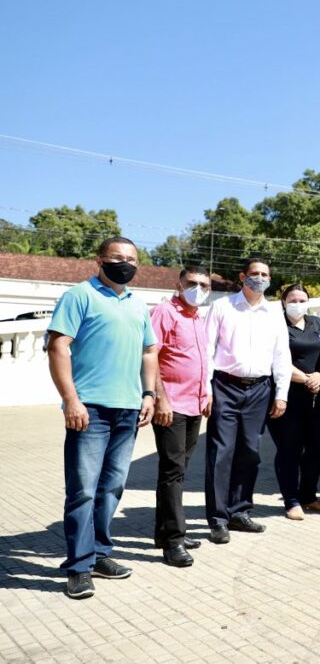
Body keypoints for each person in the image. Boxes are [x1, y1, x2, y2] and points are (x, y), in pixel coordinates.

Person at [47, 236, 157, 599]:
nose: (124, 263)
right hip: (89, 409)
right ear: (99, 260)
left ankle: (99, 554)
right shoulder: (79, 295)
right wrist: (71, 400)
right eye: (116, 257)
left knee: (112, 487)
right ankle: (78, 567)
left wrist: (149, 394)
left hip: (128, 410)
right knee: (83, 490)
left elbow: (149, 352)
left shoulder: (138, 304)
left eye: (131, 259)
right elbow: (58, 346)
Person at [204, 257, 291, 544]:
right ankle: (218, 519)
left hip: (259, 390)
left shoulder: (274, 312)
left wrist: (281, 394)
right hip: (225, 387)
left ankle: (239, 511)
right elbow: (206, 350)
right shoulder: (222, 307)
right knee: (221, 452)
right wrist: (206, 390)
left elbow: (281, 355)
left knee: (250, 451)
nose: (260, 278)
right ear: (242, 276)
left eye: (265, 274)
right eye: (255, 273)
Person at [149, 265, 212, 567]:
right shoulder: (165, 312)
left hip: (194, 404)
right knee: (172, 470)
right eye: (192, 283)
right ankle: (174, 540)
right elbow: (150, 356)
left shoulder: (198, 317)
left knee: (177, 471)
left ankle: (164, 532)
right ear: (179, 284)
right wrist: (160, 398)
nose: (197, 289)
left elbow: (200, 361)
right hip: (170, 406)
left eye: (204, 285)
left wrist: (206, 393)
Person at [267, 284, 320, 521]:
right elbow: (275, 360)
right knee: (289, 449)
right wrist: (306, 378)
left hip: (316, 396)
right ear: (283, 302)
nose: (297, 304)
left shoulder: (317, 323)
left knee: (319, 446)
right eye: (292, 300)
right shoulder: (275, 325)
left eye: (302, 300)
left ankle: (308, 495)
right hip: (286, 397)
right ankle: (291, 500)